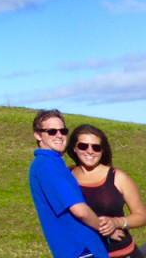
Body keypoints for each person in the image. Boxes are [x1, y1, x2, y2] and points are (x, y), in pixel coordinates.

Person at [29, 109, 110, 258]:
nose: (59, 135)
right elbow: (79, 209)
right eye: (52, 131)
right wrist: (107, 229)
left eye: (63, 131)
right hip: (81, 250)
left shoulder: (53, 163)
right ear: (38, 135)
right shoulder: (47, 165)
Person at [67, 124, 146, 258]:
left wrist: (117, 222)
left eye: (96, 147)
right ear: (74, 148)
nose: (90, 151)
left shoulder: (117, 177)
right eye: (83, 146)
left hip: (123, 253)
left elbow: (141, 216)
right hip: (84, 254)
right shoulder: (66, 177)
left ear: (102, 150)